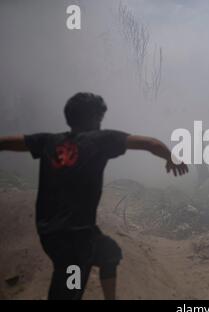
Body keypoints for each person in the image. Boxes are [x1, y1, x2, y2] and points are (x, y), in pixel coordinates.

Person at [0, 92, 188, 300]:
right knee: (70, 285)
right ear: (94, 118)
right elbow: (150, 143)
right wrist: (171, 157)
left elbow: (7, 142)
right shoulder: (101, 140)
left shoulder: (48, 141)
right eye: (99, 117)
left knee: (109, 253)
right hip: (75, 236)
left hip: (52, 233)